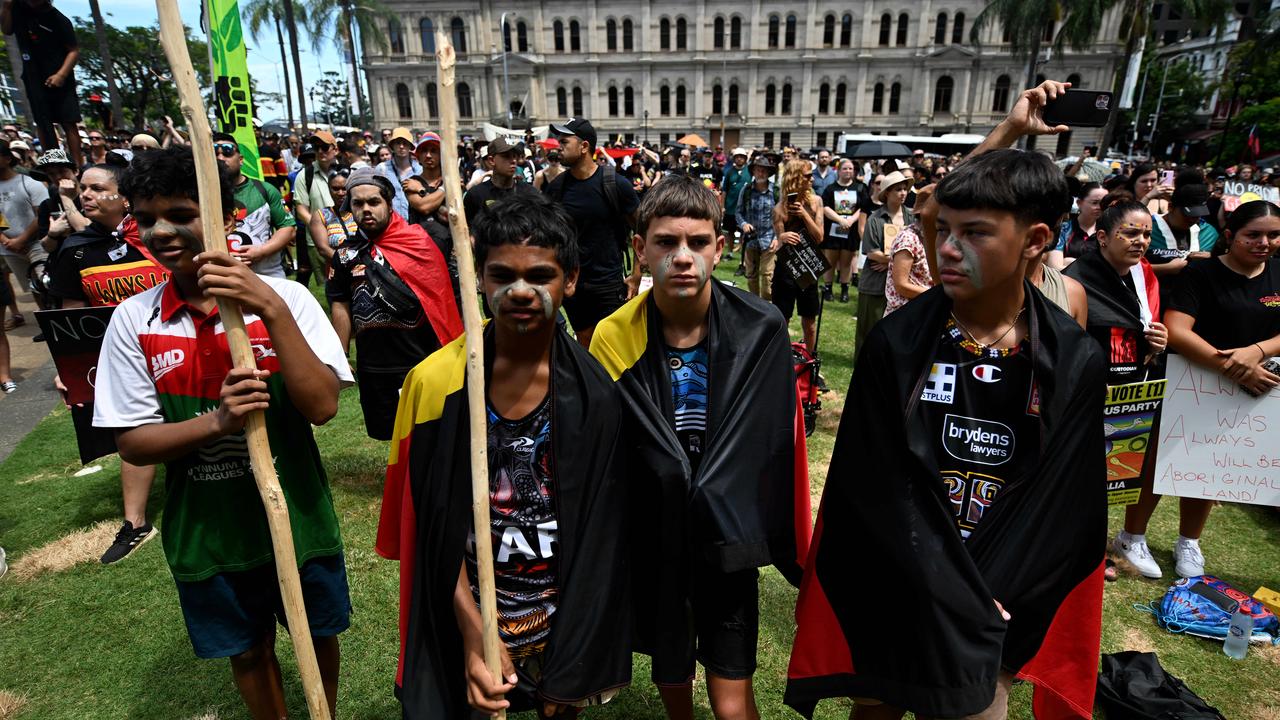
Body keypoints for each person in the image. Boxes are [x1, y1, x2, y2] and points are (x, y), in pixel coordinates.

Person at [788, 147, 1106, 720]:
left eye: (975, 233)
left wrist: (983, 596)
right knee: (875, 708)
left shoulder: (1073, 359)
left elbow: (1062, 504)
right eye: (945, 231)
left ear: (1034, 240)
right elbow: (869, 484)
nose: (947, 249)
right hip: (896, 579)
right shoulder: (900, 344)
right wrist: (933, 579)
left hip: (994, 605)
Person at [95, 145, 351, 719]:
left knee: (315, 634)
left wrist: (271, 311)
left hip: (299, 517)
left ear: (225, 215)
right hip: (211, 530)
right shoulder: (135, 320)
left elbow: (322, 407)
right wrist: (217, 421)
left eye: (182, 214)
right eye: (147, 217)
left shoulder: (286, 299)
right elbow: (133, 442)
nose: (163, 231)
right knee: (248, 648)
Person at [376, 192, 631, 719]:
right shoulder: (434, 386)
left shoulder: (596, 397)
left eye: (540, 275)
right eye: (501, 275)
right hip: (467, 614)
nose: (520, 291)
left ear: (572, 280)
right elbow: (430, 528)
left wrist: (575, 652)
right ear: (479, 278)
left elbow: (601, 541)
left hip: (561, 628)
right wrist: (474, 636)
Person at [591, 174, 811, 720]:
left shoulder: (761, 326)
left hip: (728, 532)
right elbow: (609, 448)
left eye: (697, 242)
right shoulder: (613, 336)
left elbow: (771, 442)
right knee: (671, 665)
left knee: (732, 685)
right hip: (655, 532)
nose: (682, 257)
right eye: (666, 243)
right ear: (639, 249)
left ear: (721, 245)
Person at [1118, 199, 1280, 579]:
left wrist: (1255, 353)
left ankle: (1189, 541)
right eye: (1252, 235)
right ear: (1229, 236)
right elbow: (1176, 329)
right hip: (1190, 380)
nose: (1264, 243)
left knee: (1213, 464)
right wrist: (1232, 367)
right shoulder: (1200, 273)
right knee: (1162, 458)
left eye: (1273, 235)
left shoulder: (1279, 273)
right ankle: (1132, 536)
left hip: (1254, 384)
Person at [43, 162, 168, 563]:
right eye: (83, 188)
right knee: (132, 429)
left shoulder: (156, 238)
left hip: (172, 344)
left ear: (124, 196)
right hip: (118, 359)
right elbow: (71, 318)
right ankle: (135, 522)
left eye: (97, 188)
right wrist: (69, 370)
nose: (86, 195)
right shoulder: (74, 249)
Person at [326, 168, 462, 441]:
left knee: (428, 433)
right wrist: (340, 357)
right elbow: (340, 306)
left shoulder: (420, 242)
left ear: (388, 204)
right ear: (349, 208)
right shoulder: (344, 254)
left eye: (374, 202)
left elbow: (443, 302)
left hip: (419, 361)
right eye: (358, 203)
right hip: (373, 365)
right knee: (389, 435)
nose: (366, 209)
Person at [543, 117, 640, 347]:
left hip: (608, 281)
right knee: (586, 344)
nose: (559, 147)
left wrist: (636, 274)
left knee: (613, 346)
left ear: (584, 146)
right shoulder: (557, 188)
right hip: (574, 285)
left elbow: (643, 228)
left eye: (565, 141)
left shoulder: (615, 184)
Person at [1, 0, 83, 167]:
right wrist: (6, 6)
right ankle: (51, 163)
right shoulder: (18, 10)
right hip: (32, 76)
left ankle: (77, 164)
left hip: (60, 77)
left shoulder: (59, 19)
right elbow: (7, 30)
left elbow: (73, 51)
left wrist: (61, 74)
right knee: (42, 122)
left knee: (68, 121)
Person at [212, 132, 296, 279]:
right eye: (214, 153)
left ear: (241, 159)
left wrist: (262, 251)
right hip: (223, 277)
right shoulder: (200, 196)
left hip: (268, 275)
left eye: (227, 152)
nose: (220, 158)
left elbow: (287, 228)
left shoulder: (265, 190)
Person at [855, 169, 913, 360]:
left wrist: (890, 262)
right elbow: (871, 252)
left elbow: (918, 250)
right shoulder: (875, 218)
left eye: (905, 189)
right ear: (887, 192)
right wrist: (898, 261)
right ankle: (864, 364)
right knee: (870, 329)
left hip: (904, 284)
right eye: (898, 189)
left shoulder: (911, 218)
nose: (903, 193)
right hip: (875, 283)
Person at [772, 158, 824, 352]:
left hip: (808, 266)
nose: (812, 179)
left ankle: (809, 363)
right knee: (781, 319)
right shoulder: (779, 208)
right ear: (796, 178)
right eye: (807, 176)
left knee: (809, 323)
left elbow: (819, 237)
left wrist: (804, 214)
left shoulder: (816, 202)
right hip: (786, 268)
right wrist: (782, 236)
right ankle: (782, 360)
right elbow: (778, 241)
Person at [0, 137, 50, 317]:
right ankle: (45, 321)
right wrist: (6, 240)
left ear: (7, 158)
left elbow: (41, 214)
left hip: (37, 244)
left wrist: (21, 239)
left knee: (46, 283)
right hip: (9, 247)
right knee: (33, 285)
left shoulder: (29, 183)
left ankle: (56, 319)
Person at [819, 158, 867, 303]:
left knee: (846, 261)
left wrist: (851, 220)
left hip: (851, 231)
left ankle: (845, 289)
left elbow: (863, 208)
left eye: (850, 169)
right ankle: (828, 289)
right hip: (833, 230)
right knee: (830, 261)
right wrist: (840, 220)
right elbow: (825, 207)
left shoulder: (860, 187)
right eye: (845, 169)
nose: (848, 171)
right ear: (838, 171)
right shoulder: (830, 188)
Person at [463, 137, 535, 225]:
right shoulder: (476, 195)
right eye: (506, 156)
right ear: (491, 160)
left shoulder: (530, 193)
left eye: (514, 156)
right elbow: (467, 229)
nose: (513, 161)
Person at [735, 156, 779, 300]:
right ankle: (755, 306)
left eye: (764, 170)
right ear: (753, 172)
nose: (761, 173)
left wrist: (778, 237)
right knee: (751, 277)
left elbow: (782, 217)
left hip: (769, 240)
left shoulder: (776, 192)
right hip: (751, 240)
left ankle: (767, 306)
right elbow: (738, 212)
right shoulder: (746, 190)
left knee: (768, 278)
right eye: (758, 170)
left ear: (768, 173)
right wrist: (744, 224)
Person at [1048, 182, 1105, 269]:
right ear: (1079, 203)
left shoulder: (1107, 232)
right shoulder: (1063, 229)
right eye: (1095, 202)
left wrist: (1070, 262)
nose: (1100, 207)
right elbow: (1055, 267)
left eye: (1103, 203)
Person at [306, 168, 355, 266]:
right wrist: (348, 263)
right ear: (329, 189)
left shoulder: (360, 211)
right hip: (339, 271)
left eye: (344, 188)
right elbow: (323, 249)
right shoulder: (321, 216)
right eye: (335, 189)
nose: (340, 193)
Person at [882, 222, 932, 316]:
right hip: (905, 316)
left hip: (926, 311)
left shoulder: (935, 236)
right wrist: (937, 294)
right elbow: (901, 285)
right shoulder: (908, 238)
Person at [376, 127, 421, 219]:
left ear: (410, 146)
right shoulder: (382, 169)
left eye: (405, 143)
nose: (401, 146)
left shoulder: (419, 170)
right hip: (392, 221)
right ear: (392, 146)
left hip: (416, 221)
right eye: (398, 143)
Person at [721, 148, 752, 258]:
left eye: (741, 157)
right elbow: (724, 190)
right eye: (737, 157)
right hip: (730, 206)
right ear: (734, 158)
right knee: (730, 231)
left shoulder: (750, 171)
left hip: (745, 208)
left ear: (745, 159)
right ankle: (729, 252)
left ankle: (742, 251)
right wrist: (722, 206)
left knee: (745, 230)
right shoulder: (729, 172)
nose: (739, 159)